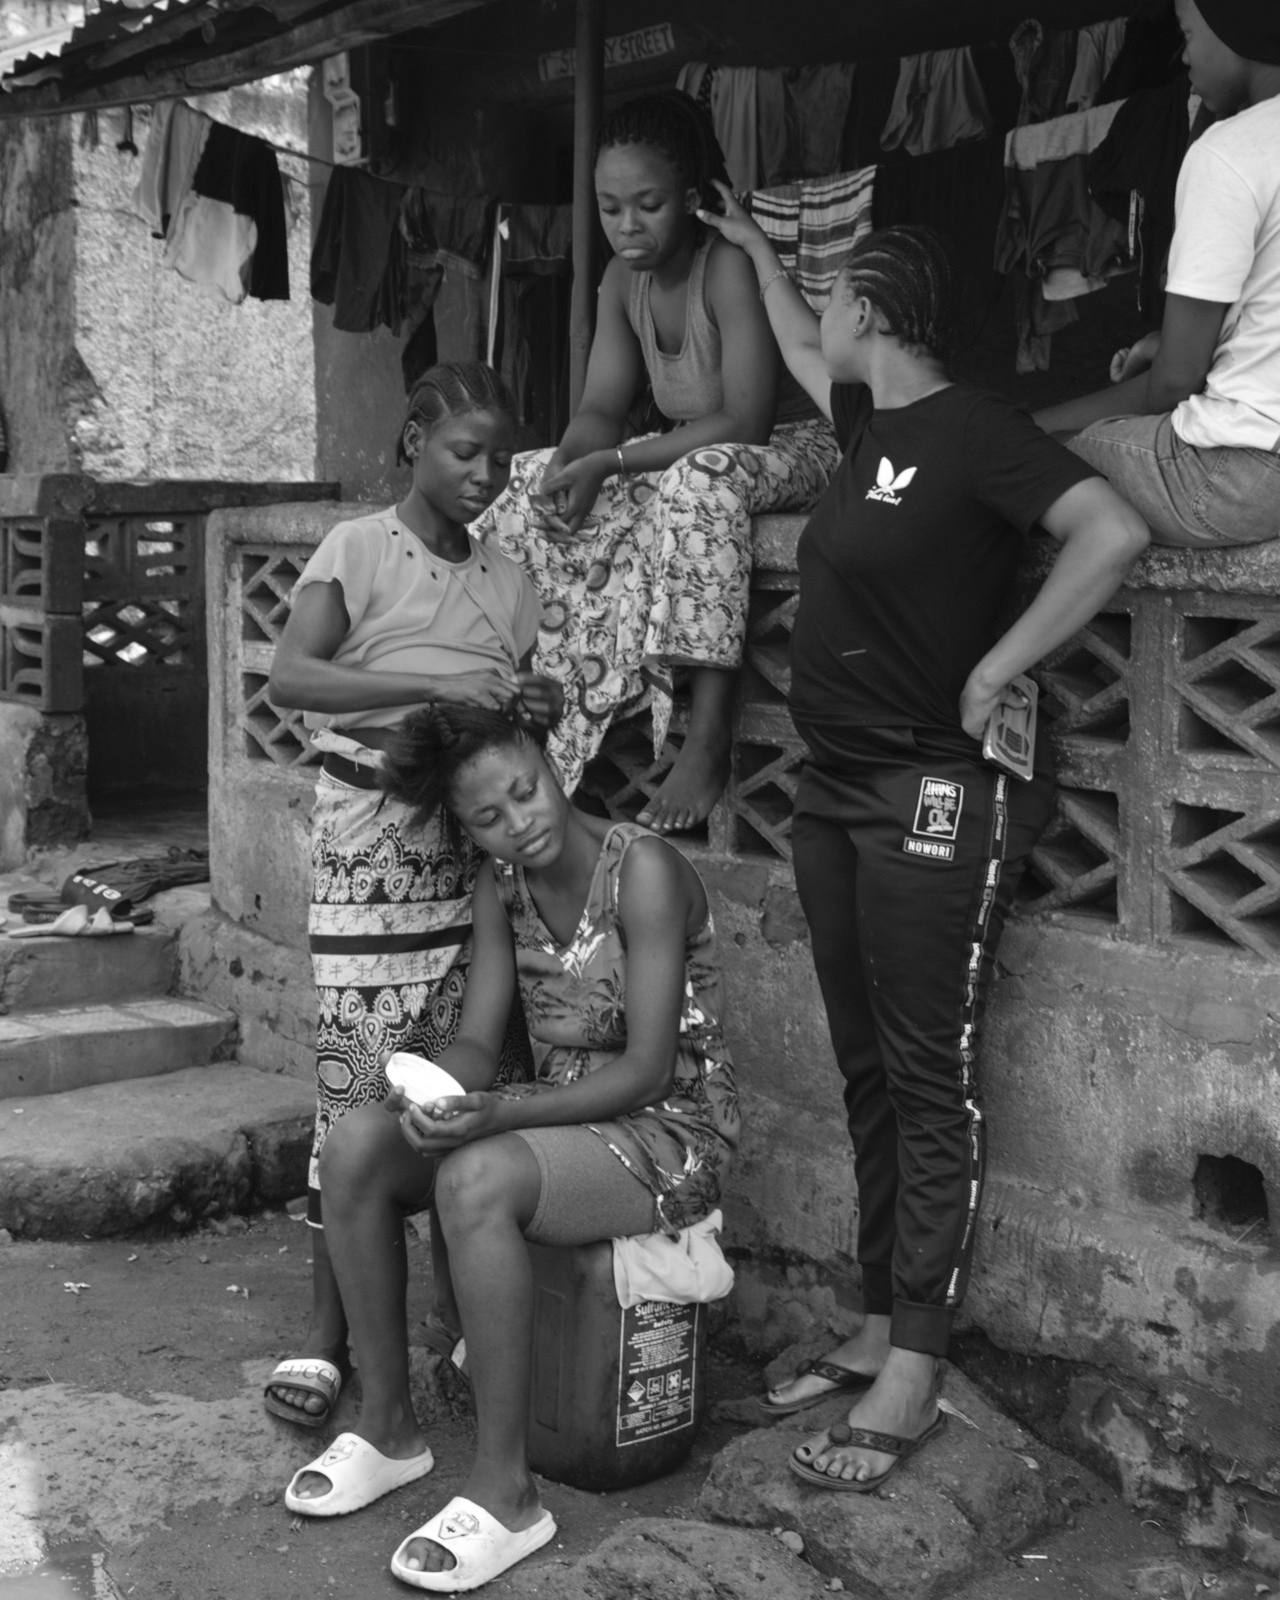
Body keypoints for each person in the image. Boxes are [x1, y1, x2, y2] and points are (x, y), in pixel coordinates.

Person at [699, 197, 1149, 1489]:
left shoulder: (975, 434)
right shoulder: (864, 421)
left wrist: (1001, 662)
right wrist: (749, 245)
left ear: (878, 313)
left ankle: (918, 1357)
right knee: (864, 1066)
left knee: (926, 1067)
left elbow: (1109, 534)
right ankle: (875, 1313)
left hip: (940, 793)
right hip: (835, 792)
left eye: (834, 292)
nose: (817, 314)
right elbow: (793, 338)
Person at [281, 706, 739, 1591]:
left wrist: (492, 1121)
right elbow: (480, 1047)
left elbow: (648, 1070)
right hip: (555, 1114)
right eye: (489, 817)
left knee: (476, 1180)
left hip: (668, 1130)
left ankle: (507, 1491)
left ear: (549, 765)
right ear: (468, 828)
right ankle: (388, 1428)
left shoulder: (643, 871)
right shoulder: (502, 884)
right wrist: (435, 1094)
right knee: (357, 1149)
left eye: (526, 792)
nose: (518, 821)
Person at [261, 361, 561, 1430]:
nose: (483, 475)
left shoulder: (512, 583)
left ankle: (458, 1324)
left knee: (462, 1080)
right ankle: (324, 1339)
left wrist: (538, 698)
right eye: (461, 453)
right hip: (370, 847)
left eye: (499, 460)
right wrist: (432, 686)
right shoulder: (357, 550)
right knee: (352, 1094)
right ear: (411, 446)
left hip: (471, 850)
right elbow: (295, 677)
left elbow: (513, 715)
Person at [472, 90, 839, 835]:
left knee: (696, 481)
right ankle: (517, 692)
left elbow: (745, 420)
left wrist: (611, 460)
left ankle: (707, 730)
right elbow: (602, 408)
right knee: (521, 476)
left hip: (795, 447)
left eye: (649, 205)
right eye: (611, 209)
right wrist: (568, 466)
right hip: (691, 453)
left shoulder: (727, 267)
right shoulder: (619, 281)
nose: (627, 226)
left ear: (693, 197)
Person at [1034, 0, 1280, 547]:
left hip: (1231, 481)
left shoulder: (1229, 152)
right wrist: (1164, 341)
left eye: (1188, 33)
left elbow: (1174, 383)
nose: (1183, 55)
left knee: (1008, 462)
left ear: (1236, 28)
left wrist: (1028, 428)